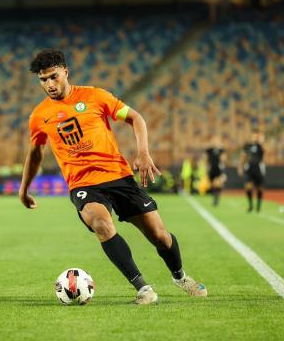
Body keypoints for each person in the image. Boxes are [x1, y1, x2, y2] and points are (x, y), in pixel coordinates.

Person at [19, 49, 207, 305]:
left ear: (65, 72)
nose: (49, 84)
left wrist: (143, 153)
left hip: (118, 176)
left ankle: (180, 277)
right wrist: (24, 189)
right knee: (102, 224)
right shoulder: (39, 115)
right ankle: (143, 289)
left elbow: (135, 118)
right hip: (83, 183)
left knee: (159, 235)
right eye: (43, 80)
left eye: (53, 77)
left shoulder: (95, 96)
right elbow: (35, 153)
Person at [238, 129, 265, 213]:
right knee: (248, 187)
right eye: (253, 136)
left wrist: (261, 141)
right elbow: (243, 156)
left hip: (258, 168)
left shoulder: (260, 146)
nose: (254, 137)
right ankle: (250, 206)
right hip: (249, 168)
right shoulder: (247, 146)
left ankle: (259, 206)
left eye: (256, 136)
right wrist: (240, 167)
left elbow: (264, 153)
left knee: (259, 188)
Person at [205, 136, 227, 207]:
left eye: (216, 141)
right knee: (212, 184)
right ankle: (215, 196)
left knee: (218, 183)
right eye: (213, 141)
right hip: (211, 168)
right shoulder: (209, 150)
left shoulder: (221, 150)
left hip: (218, 168)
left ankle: (217, 197)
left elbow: (224, 159)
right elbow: (206, 159)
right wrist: (206, 167)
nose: (215, 142)